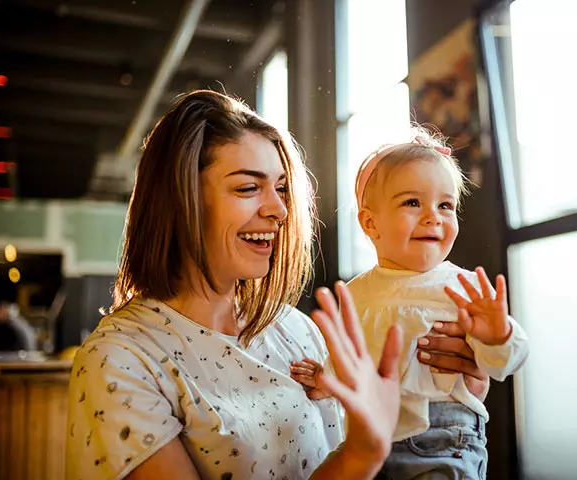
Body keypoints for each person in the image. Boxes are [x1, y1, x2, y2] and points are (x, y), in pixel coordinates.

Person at [65, 90, 490, 480]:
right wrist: (360, 455)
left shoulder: (296, 330)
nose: (279, 210)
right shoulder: (120, 360)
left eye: (282, 189)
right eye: (249, 187)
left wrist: (460, 387)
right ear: (181, 200)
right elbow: (361, 450)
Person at [291, 131, 529, 479]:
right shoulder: (357, 292)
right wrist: (326, 381)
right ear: (370, 222)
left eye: (445, 205)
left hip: (443, 438)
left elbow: (503, 364)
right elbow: (356, 355)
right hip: (369, 434)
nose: (433, 217)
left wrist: (497, 335)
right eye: (412, 203)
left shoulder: (463, 287)